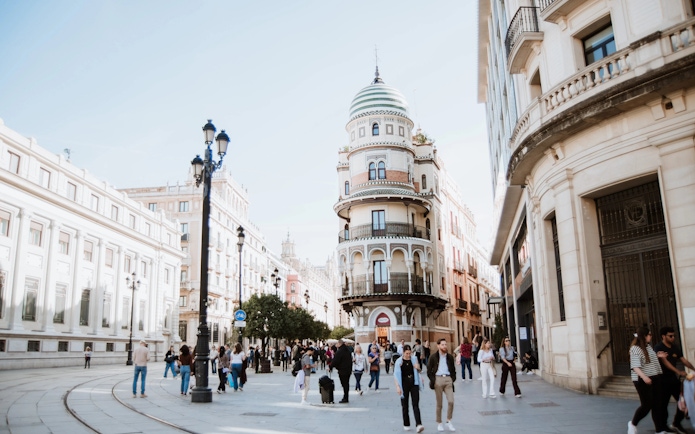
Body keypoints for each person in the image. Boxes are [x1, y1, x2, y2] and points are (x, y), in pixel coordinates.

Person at [628, 326, 669, 434]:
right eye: (649, 334)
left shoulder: (648, 347)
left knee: (657, 404)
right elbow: (635, 366)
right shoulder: (635, 348)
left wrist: (657, 356)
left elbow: (647, 360)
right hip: (642, 380)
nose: (651, 336)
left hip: (655, 377)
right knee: (646, 405)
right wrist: (644, 377)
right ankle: (633, 423)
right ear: (644, 336)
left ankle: (659, 430)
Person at [654, 326, 694, 434]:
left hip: (673, 380)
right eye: (670, 336)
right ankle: (662, 427)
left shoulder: (675, 347)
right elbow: (666, 363)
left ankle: (676, 423)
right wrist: (678, 371)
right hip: (662, 380)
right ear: (663, 336)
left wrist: (693, 368)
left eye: (673, 336)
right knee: (663, 405)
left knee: (683, 401)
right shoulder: (658, 348)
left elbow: (683, 360)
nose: (673, 338)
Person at [426, 338, 456, 432]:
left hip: (448, 380)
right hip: (438, 379)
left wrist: (452, 379)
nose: (445, 346)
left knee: (451, 401)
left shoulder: (450, 357)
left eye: (445, 344)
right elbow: (429, 370)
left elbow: (453, 370)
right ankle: (439, 423)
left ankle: (449, 420)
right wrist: (433, 380)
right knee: (439, 404)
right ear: (438, 346)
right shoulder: (433, 357)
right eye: (442, 345)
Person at [394, 344, 425, 433]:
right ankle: (406, 424)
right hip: (403, 384)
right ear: (403, 353)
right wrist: (397, 387)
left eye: (409, 353)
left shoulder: (414, 359)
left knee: (415, 404)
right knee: (405, 405)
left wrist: (417, 367)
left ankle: (419, 424)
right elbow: (396, 375)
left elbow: (419, 371)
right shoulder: (399, 362)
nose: (408, 355)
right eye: (407, 353)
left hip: (414, 383)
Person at [331, 339, 353, 403]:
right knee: (346, 384)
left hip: (342, 370)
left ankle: (345, 398)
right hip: (348, 370)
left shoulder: (340, 351)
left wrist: (331, 366)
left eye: (337, 344)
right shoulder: (347, 350)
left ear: (340, 344)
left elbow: (336, 360)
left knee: (344, 384)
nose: (336, 345)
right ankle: (346, 396)